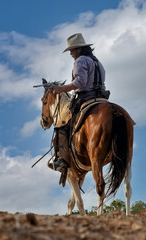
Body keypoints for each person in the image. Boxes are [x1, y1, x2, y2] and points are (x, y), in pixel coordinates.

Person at [48, 33, 108, 174]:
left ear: (79, 49)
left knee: (61, 125)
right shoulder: (97, 62)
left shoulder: (80, 61)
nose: (71, 54)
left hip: (85, 98)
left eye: (72, 50)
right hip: (102, 98)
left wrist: (60, 89)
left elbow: (80, 82)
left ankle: (61, 161)